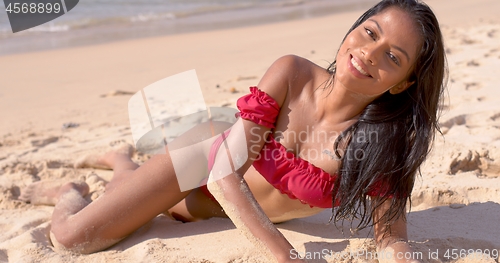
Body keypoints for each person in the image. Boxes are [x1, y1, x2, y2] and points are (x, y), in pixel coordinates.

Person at [19, 0, 446, 262]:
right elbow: (224, 172)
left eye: (392, 56)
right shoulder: (293, 72)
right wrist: (283, 256)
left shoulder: (384, 143)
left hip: (220, 206)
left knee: (136, 201)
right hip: (204, 159)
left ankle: (120, 163)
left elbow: (391, 238)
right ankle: (70, 189)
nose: (369, 53)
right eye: (369, 32)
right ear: (354, 27)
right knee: (71, 238)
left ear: (404, 81)